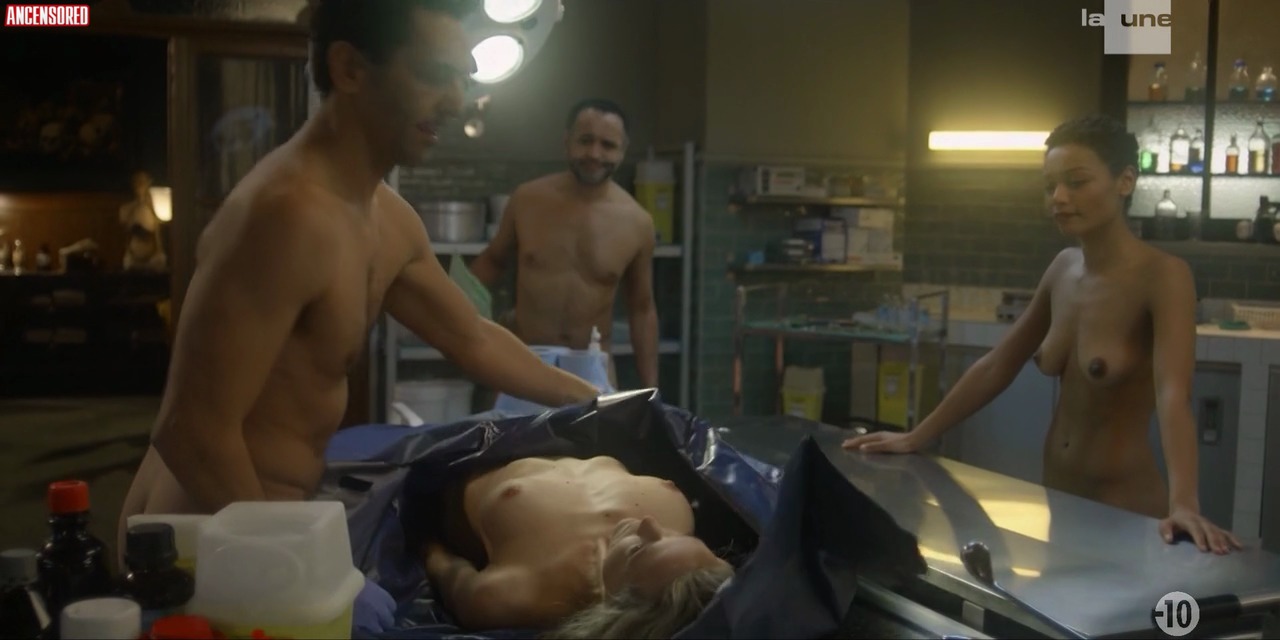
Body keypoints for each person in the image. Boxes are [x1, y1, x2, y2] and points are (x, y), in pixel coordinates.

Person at [118, 0, 600, 549]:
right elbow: (190, 433)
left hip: (272, 521)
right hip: (204, 536)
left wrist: (599, 402)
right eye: (434, 75)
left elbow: (473, 339)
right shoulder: (286, 214)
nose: (455, 101)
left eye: (462, 79)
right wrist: (289, 564)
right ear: (349, 69)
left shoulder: (387, 218)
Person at [843, 114, 1243, 555]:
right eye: (1050, 186)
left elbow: (1173, 394)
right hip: (1058, 500)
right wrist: (916, 436)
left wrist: (1184, 503)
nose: (1059, 198)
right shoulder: (1063, 269)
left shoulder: (1163, 276)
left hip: (1123, 510)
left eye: (1077, 182)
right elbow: (997, 365)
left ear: (1125, 181)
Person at [421, 455, 733, 637]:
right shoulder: (687, 574)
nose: (648, 524)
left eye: (637, 550)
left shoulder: (512, 595)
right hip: (587, 419)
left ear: (616, 606)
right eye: (676, 536)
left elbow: (434, 556)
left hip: (486, 453)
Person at [469, 98, 660, 390]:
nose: (594, 153)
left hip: (592, 367)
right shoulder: (527, 199)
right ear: (567, 141)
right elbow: (492, 262)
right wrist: (451, 316)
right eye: (585, 140)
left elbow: (642, 309)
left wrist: (652, 391)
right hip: (524, 360)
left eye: (608, 145)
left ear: (622, 151)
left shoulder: (638, 223)